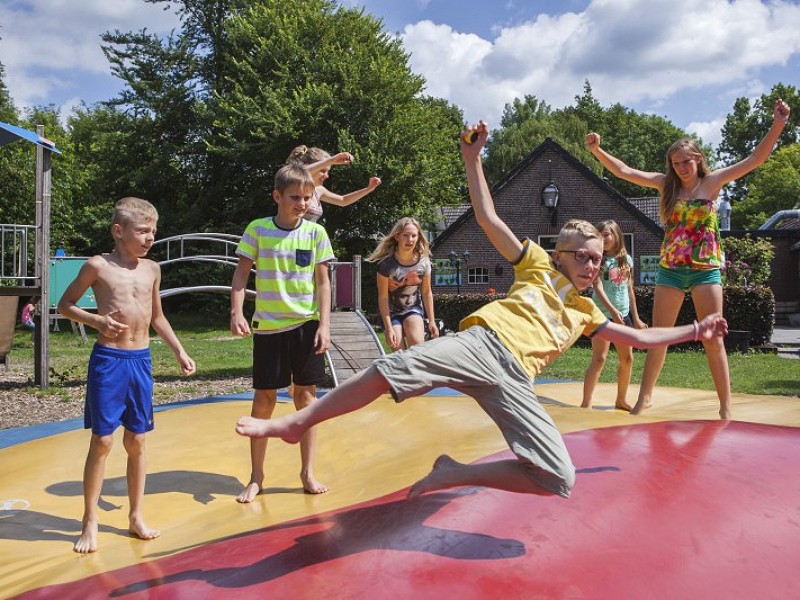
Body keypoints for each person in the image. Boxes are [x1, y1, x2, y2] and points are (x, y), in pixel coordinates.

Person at [235, 122, 728, 502]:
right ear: (560, 254)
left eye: (597, 259)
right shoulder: (536, 264)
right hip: (482, 346)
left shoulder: (584, 310)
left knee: (559, 477)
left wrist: (697, 327)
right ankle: (296, 422)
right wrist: (473, 159)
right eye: (581, 255)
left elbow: (640, 340)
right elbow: (489, 218)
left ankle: (454, 473)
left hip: (516, 382)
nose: (590, 264)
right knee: (393, 368)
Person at [586, 98, 790, 419]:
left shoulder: (712, 183)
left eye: (686, 161)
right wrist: (598, 150)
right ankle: (644, 399)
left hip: (705, 271)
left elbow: (755, 158)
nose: (681, 167)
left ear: (697, 159)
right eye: (676, 163)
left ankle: (725, 407)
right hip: (671, 271)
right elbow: (624, 171)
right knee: (658, 338)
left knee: (714, 339)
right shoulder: (665, 186)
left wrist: (778, 124)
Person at [57, 197, 196, 554]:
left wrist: (179, 349)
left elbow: (157, 317)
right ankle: (90, 519)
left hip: (141, 361)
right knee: (103, 441)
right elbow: (65, 305)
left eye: (153, 231)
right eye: (143, 231)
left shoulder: (152, 269)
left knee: (137, 441)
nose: (150, 238)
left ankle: (136, 515)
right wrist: (96, 320)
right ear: (119, 232)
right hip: (109, 360)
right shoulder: (97, 267)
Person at [230, 163, 336, 503]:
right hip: (269, 327)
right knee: (265, 400)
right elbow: (241, 276)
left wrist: (324, 323)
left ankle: (307, 471)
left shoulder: (316, 234)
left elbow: (323, 281)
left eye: (306, 198)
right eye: (295, 197)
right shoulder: (258, 230)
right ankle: (256, 476)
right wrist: (236, 312)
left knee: (306, 399)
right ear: (277, 196)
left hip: (306, 326)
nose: (302, 203)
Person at [581, 220, 647, 410]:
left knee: (627, 358)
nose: (603, 238)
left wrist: (635, 318)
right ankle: (586, 402)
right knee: (599, 358)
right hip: (602, 315)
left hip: (623, 314)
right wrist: (611, 311)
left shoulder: (626, 260)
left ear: (616, 235)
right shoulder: (598, 259)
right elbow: (597, 285)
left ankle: (621, 399)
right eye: (599, 234)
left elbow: (629, 288)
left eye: (606, 234)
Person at [366, 216, 439, 351]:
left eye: (413, 236)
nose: (410, 240)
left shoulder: (424, 263)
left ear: (418, 238)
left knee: (417, 347)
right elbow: (382, 297)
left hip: (412, 307)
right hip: (391, 311)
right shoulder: (386, 265)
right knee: (399, 351)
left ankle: (417, 371)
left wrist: (432, 321)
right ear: (397, 236)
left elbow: (426, 292)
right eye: (406, 235)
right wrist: (388, 328)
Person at [286, 145, 381, 223]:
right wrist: (331, 160)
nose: (326, 176)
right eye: (323, 171)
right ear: (307, 165)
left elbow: (343, 200)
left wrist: (368, 189)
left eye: (328, 171)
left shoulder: (318, 190)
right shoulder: (293, 184)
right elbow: (300, 172)